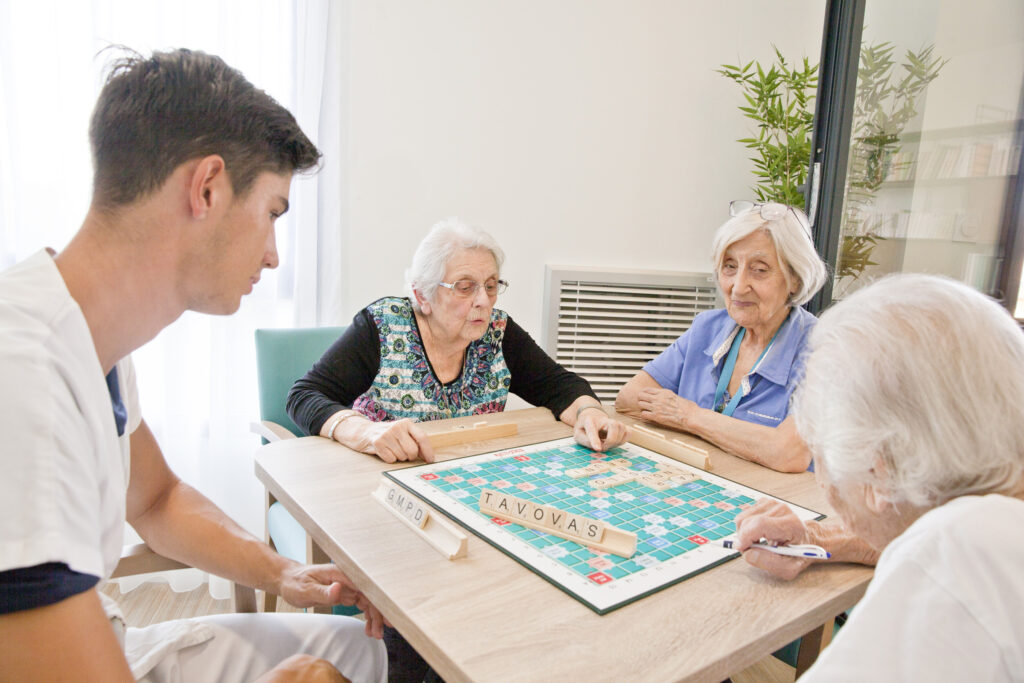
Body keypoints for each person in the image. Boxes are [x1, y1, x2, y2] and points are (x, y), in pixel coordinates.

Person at [0, 49, 387, 682]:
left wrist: (285, 572)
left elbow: (156, 499)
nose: (272, 257)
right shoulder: (22, 380)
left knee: (359, 652)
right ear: (207, 188)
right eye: (272, 214)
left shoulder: (90, 341)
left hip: (106, 634)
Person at [735, 274, 1024, 680]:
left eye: (819, 451)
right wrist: (818, 536)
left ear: (878, 470)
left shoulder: (956, 557)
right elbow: (918, 509)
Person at [287, 216, 629, 463]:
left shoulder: (497, 332)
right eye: (465, 287)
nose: (483, 300)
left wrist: (590, 413)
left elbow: (559, 385)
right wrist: (365, 432)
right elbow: (304, 396)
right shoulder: (383, 325)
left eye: (491, 285)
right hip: (381, 478)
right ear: (422, 295)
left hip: (466, 475)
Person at [615, 201, 827, 472]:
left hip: (776, 505)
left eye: (759, 270)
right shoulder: (708, 328)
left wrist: (689, 416)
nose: (738, 287)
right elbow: (629, 397)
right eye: (729, 267)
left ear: (795, 278)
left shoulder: (824, 350)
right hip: (700, 484)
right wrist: (738, 437)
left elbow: (788, 452)